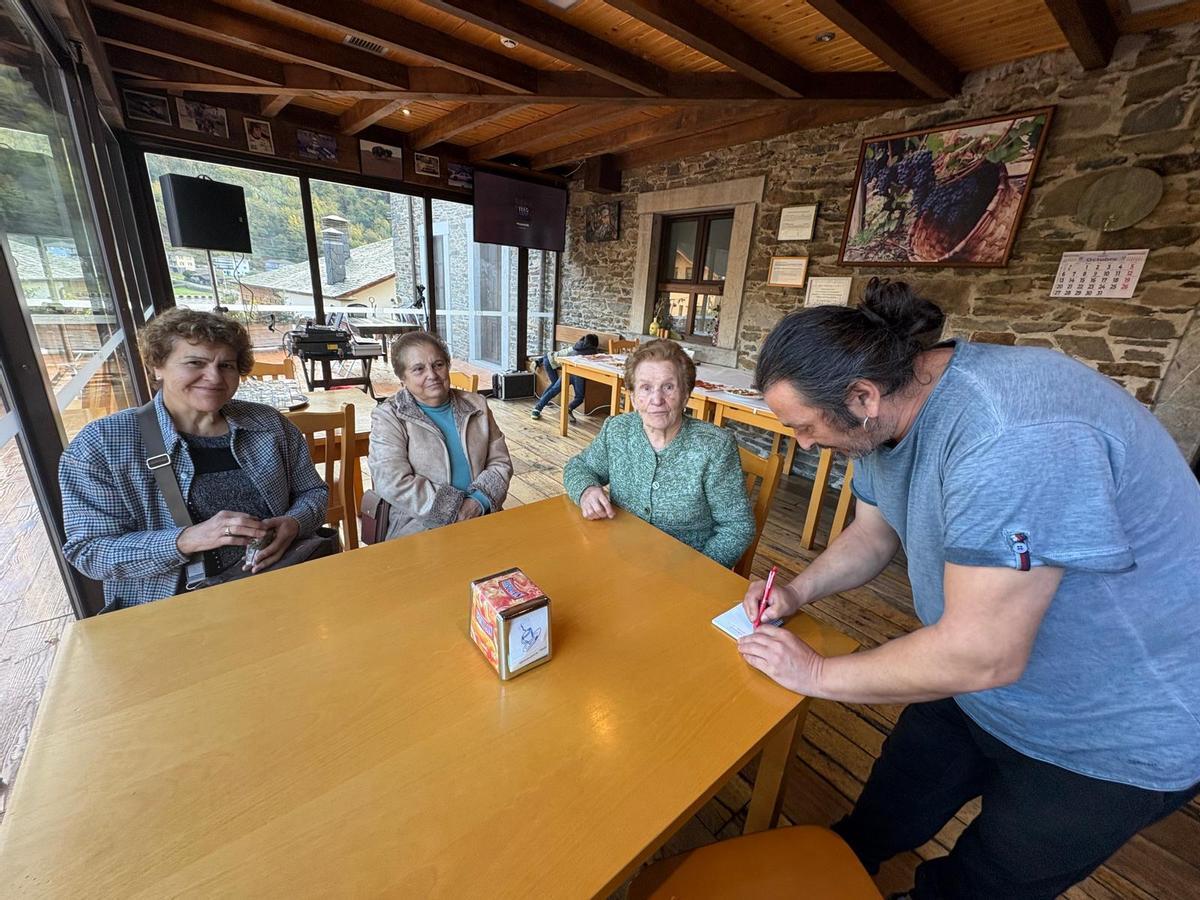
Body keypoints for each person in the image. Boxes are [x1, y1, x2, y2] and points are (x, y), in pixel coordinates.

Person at [737, 278, 1200, 899]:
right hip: (973, 684)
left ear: (862, 395)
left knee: (983, 882)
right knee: (888, 806)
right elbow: (874, 535)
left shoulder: (1009, 437)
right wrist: (796, 594)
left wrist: (817, 676)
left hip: (1113, 727)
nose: (802, 443)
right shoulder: (887, 411)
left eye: (803, 427)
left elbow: (985, 653)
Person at [59, 308, 329, 612]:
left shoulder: (268, 424)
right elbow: (90, 552)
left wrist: (294, 523)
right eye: (195, 363)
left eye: (225, 365)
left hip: (283, 585)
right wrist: (187, 540)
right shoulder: (102, 444)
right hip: (173, 608)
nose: (214, 377)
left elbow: (313, 493)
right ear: (157, 365)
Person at [562, 339, 754, 567]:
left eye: (668, 387)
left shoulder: (715, 447)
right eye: (645, 387)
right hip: (618, 557)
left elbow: (737, 526)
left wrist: (700, 570)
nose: (657, 399)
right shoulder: (618, 430)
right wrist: (586, 490)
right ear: (633, 397)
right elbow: (579, 466)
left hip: (684, 570)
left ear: (686, 394)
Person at [369, 331, 512, 539]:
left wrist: (478, 503)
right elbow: (392, 482)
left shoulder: (477, 405)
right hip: (419, 526)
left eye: (438, 365)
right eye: (419, 369)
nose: (432, 375)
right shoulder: (390, 416)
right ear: (403, 379)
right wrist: (456, 511)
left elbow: (500, 462)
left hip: (483, 517)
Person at [529, 333, 600, 422]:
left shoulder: (576, 346)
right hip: (578, 375)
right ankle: (568, 409)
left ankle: (537, 409)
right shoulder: (591, 351)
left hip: (567, 371)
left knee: (554, 390)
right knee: (579, 397)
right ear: (593, 344)